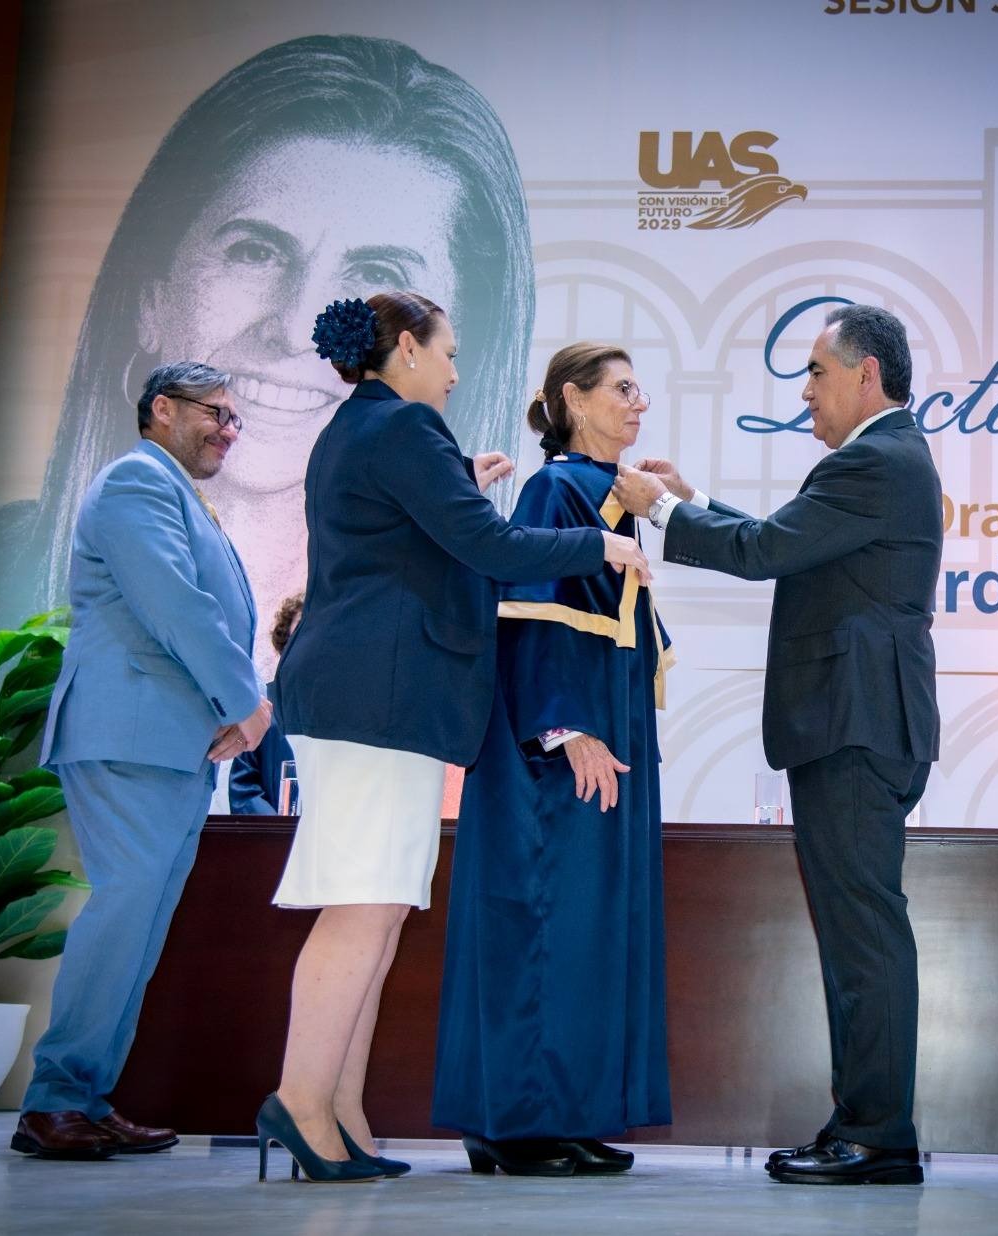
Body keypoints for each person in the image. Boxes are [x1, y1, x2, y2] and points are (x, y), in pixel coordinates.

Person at [0, 35, 537, 677]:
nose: (295, 328)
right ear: (151, 298)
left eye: (374, 276)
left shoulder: (488, 596)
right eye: (254, 252)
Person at [258, 295, 647, 1184]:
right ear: (406, 348)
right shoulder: (403, 428)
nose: (456, 371)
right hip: (376, 698)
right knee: (362, 906)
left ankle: (342, 1114)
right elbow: (489, 544)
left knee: (381, 907)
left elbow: (409, 535)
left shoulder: (364, 429)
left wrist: (459, 479)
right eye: (448, 352)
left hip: (373, 698)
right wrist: (598, 547)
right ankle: (301, 1102)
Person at [613, 303, 941, 1187]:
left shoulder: (875, 460)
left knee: (864, 934)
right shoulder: (884, 460)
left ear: (866, 375)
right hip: (857, 722)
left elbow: (764, 551)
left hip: (855, 723)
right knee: (857, 931)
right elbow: (790, 545)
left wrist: (663, 510)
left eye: (817, 374)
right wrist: (691, 503)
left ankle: (878, 1134)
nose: (805, 393)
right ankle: (863, 1121)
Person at [12, 361, 272, 1160]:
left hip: (170, 742)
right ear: (162, 408)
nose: (228, 430)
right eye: (215, 413)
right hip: (131, 735)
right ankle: (55, 1101)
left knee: (142, 927)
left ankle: (87, 1095)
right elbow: (175, 606)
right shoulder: (137, 481)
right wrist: (249, 702)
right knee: (126, 914)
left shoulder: (175, 492)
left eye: (235, 419)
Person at [432, 344, 674, 1177]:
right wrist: (566, 729)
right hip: (556, 749)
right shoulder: (553, 488)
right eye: (622, 388)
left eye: (640, 389)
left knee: (583, 929)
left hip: (604, 730)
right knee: (542, 920)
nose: (639, 403)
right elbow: (525, 617)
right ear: (573, 398)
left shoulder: (610, 495)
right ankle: (514, 1123)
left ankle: (564, 1112)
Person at [229, 593, 302, 816]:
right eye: (301, 630)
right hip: (275, 833)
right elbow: (243, 788)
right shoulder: (262, 704)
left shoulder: (349, 711)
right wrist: (278, 829)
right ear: (285, 642)